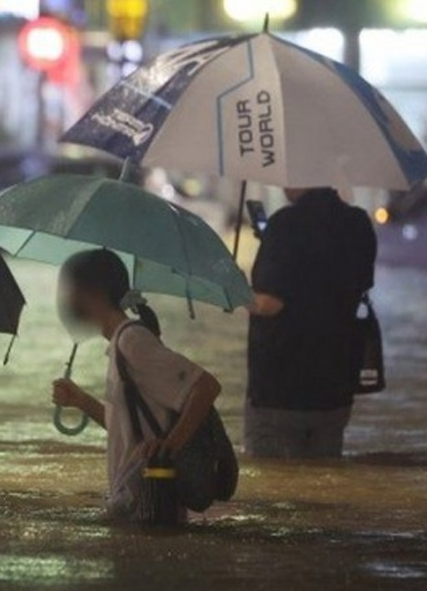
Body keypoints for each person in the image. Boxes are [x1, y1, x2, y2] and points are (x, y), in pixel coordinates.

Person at [50, 250, 222, 522]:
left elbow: (206, 386)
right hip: (135, 501)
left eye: (71, 290)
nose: (66, 300)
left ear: (94, 293)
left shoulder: (132, 341)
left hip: (150, 501)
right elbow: (126, 428)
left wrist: (169, 446)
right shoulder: (119, 344)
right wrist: (81, 401)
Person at [245, 187, 377, 459]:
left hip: (280, 387)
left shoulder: (284, 224)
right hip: (336, 384)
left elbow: (269, 303)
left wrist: (235, 292)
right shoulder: (359, 224)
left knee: (275, 479)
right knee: (325, 474)